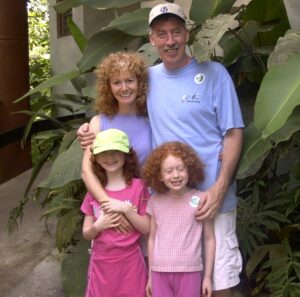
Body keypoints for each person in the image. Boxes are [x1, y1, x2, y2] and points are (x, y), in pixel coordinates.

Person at [78, 3, 244, 296]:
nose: (170, 41)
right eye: (161, 34)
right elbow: (121, 105)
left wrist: (220, 187)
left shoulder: (215, 74)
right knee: (169, 283)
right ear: (151, 39)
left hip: (210, 199)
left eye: (176, 32)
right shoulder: (147, 80)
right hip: (164, 206)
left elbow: (233, 133)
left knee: (219, 282)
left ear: (187, 33)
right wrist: (89, 132)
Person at [81, 51, 152, 233]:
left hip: (147, 206)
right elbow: (87, 171)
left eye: (129, 80)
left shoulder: (152, 118)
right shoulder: (99, 122)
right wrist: (111, 208)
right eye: (116, 82)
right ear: (108, 87)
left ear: (140, 83)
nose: (124, 88)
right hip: (111, 207)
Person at [80, 128, 150, 297]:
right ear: (95, 157)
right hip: (101, 263)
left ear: (127, 155)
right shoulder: (94, 192)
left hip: (131, 262)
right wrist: (99, 226)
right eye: (104, 152)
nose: (110, 157)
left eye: (115, 151)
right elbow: (86, 233)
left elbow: (147, 228)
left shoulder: (139, 187)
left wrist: (126, 209)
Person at [142, 141, 215, 297]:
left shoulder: (201, 199)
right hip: (159, 272)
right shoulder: (155, 202)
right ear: (160, 176)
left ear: (189, 170)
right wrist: (150, 277)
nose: (175, 175)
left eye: (180, 169)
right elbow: (152, 239)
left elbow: (209, 239)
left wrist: (208, 277)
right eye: (168, 171)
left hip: (190, 270)